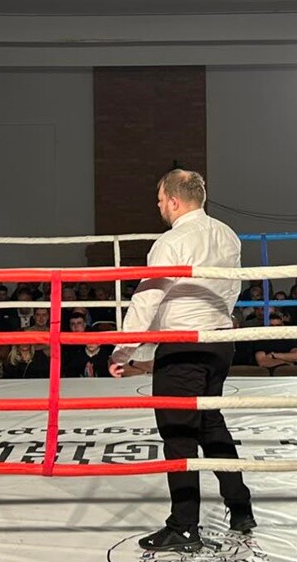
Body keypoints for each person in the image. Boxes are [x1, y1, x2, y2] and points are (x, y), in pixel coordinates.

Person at [108, 170, 253, 553]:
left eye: (160, 199)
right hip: (219, 342)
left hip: (184, 346)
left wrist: (123, 350)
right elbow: (233, 288)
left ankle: (184, 527)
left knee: (178, 435)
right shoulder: (228, 234)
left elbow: (148, 299)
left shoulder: (171, 241)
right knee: (210, 424)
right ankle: (241, 508)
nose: (158, 205)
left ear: (174, 200)